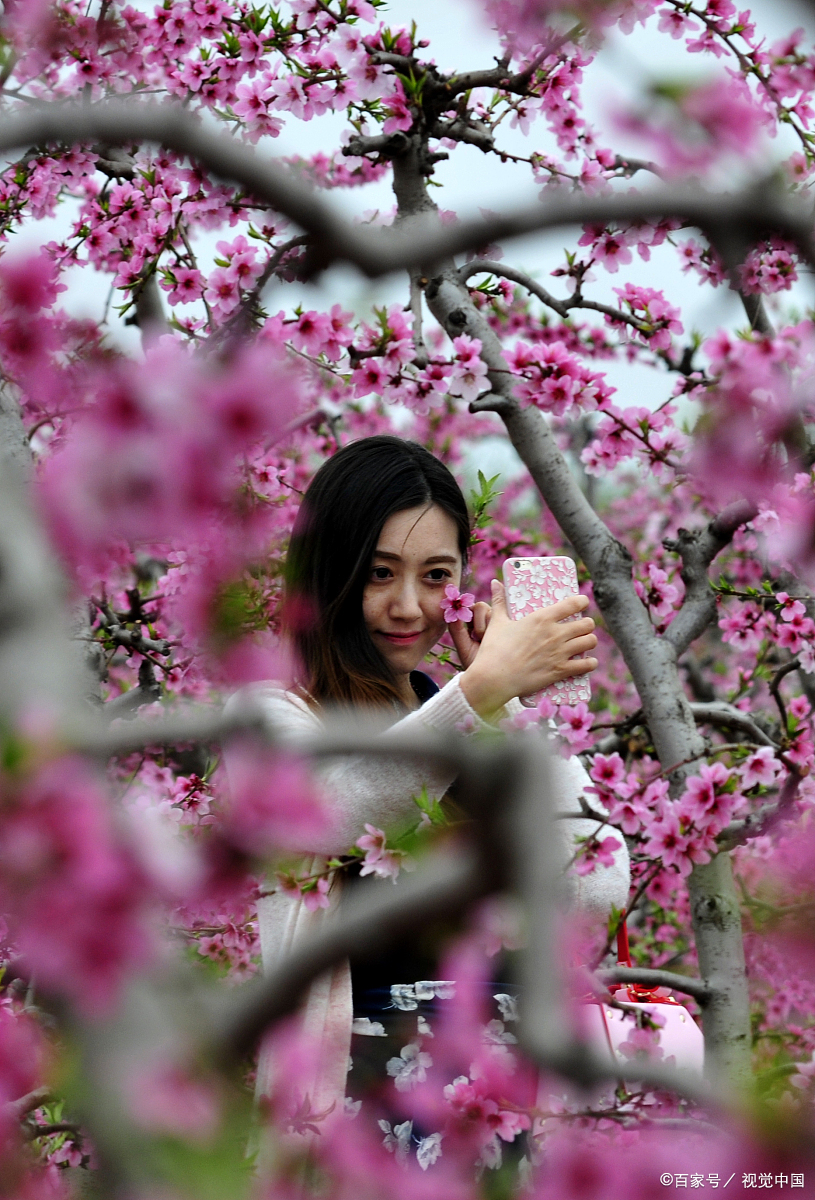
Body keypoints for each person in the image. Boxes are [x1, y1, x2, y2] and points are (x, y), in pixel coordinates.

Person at [229, 435, 630, 1118]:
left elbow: (595, 888)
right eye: (379, 573)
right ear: (327, 570)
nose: (409, 606)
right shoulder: (267, 715)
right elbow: (327, 810)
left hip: (505, 1111)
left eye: (436, 575)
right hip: (354, 1112)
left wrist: (514, 713)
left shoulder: (472, 723)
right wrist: (474, 697)